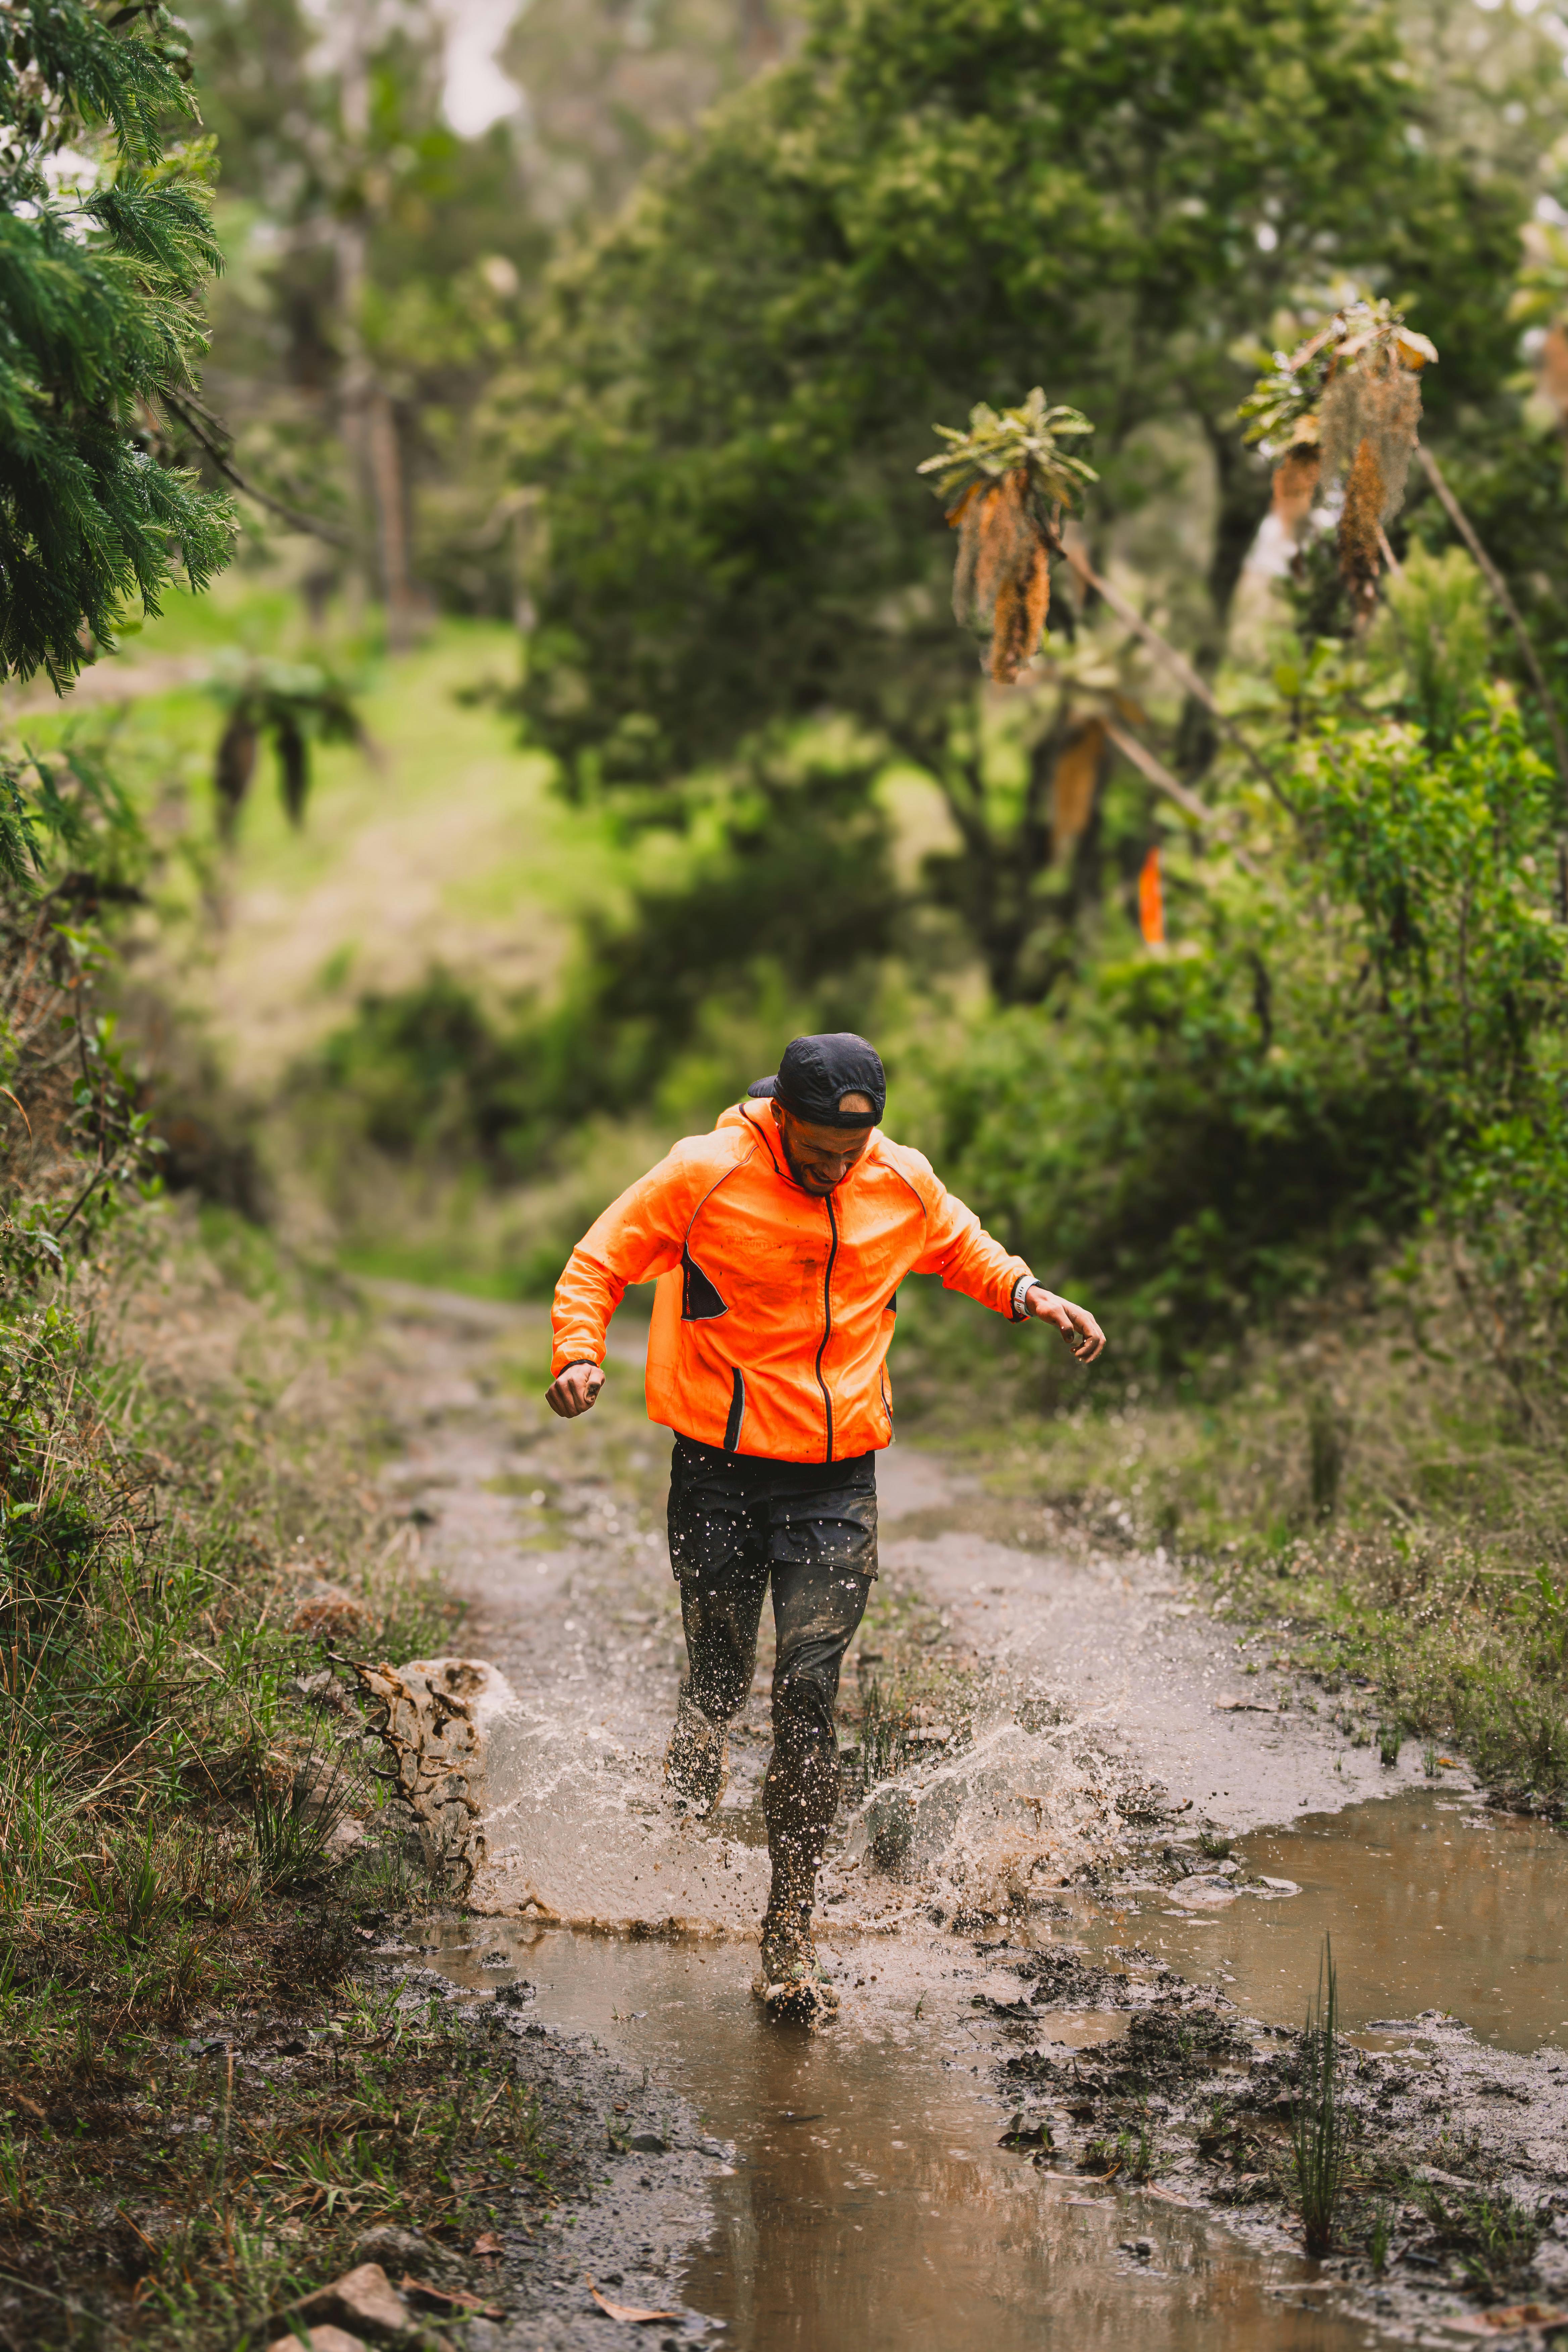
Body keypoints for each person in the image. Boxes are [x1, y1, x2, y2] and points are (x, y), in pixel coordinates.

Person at [546, 1032, 1105, 2017]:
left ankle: (789, 1933)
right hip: (718, 1468)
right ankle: (697, 1737)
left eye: (854, 1154)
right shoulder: (703, 1173)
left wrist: (1027, 1292)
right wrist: (577, 1355)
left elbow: (960, 1245)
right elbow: (600, 1260)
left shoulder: (898, 1179)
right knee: (721, 1668)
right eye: (820, 1152)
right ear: (778, 1120)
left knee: (808, 1695)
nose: (838, 1170)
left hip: (837, 1475)